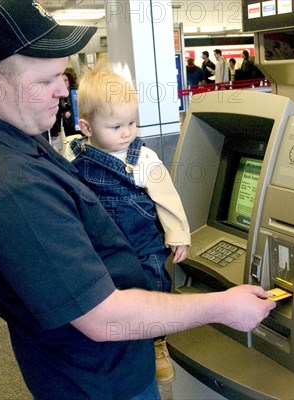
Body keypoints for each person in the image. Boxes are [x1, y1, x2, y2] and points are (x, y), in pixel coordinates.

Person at [0, 1, 275, 399]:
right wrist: (221, 307)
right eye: (46, 80)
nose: (62, 91)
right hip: (100, 380)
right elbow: (102, 318)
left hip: (73, 365)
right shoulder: (10, 187)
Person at [69, 68, 191, 384]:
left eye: (132, 123)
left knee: (155, 289)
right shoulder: (76, 159)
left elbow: (167, 197)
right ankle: (124, 341)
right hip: (104, 250)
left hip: (146, 247)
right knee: (114, 297)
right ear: (86, 127)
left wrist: (178, 234)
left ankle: (158, 343)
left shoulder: (143, 158)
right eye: (116, 126)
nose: (127, 133)